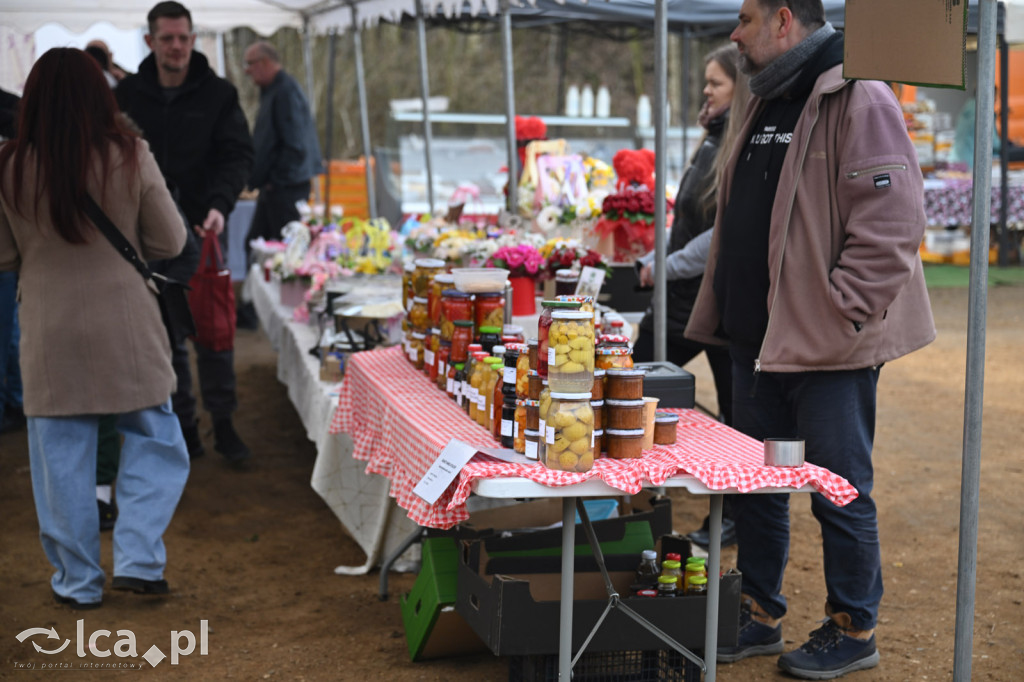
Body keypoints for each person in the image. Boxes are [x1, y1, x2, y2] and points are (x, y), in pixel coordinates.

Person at [685, 1, 936, 678]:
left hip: (826, 350)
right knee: (758, 487)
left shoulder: (857, 94)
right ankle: (761, 613)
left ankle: (855, 627)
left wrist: (843, 313)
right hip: (755, 343)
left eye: (744, 18)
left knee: (839, 488)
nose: (734, 34)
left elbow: (893, 219)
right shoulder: (767, 98)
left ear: (784, 19)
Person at [0, 48, 190, 609]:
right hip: (126, 324)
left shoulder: (7, 164)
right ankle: (138, 560)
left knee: (59, 462)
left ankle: (77, 583)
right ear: (99, 93)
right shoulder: (130, 154)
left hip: (47, 326)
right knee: (157, 438)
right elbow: (171, 241)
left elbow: (3, 256)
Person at [116, 1, 255, 464]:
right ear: (150, 41)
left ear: (193, 40)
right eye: (167, 38)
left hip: (202, 229)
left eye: (183, 38)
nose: (176, 46)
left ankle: (225, 425)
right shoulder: (127, 95)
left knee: (213, 333)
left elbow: (237, 155)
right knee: (165, 338)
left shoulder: (219, 94)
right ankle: (183, 428)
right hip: (143, 242)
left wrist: (219, 205)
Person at [634, 44, 750, 549]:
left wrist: (665, 267)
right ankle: (631, 500)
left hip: (713, 303)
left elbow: (720, 236)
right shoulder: (713, 138)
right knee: (630, 389)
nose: (706, 91)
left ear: (739, 89)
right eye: (705, 82)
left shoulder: (742, 141)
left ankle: (728, 518)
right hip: (680, 298)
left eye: (716, 83)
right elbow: (688, 221)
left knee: (737, 422)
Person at [238, 40, 321, 328]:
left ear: (264, 62)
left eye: (250, 64)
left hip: (285, 188)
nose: (247, 71)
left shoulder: (284, 92)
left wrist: (274, 180)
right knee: (259, 247)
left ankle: (289, 312)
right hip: (277, 186)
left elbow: (294, 145)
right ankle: (254, 310)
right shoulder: (275, 91)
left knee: (287, 254)